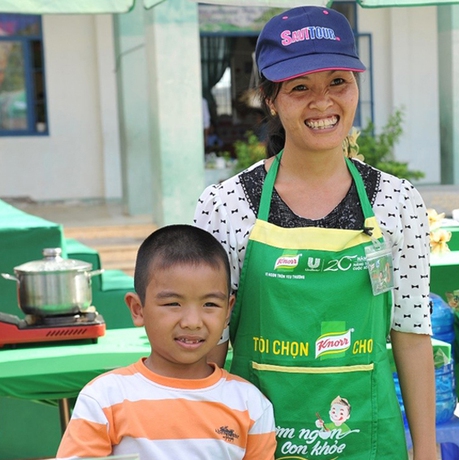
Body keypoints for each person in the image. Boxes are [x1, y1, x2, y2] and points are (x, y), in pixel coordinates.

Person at [193, 6, 436, 460]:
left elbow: (410, 329)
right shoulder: (226, 205)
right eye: (300, 88)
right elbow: (212, 343)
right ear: (270, 100)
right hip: (258, 441)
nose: (322, 103)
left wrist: (426, 448)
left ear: (357, 88)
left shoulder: (397, 202)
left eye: (337, 83)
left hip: (369, 437)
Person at [56, 225, 277, 460]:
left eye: (210, 304)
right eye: (173, 303)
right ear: (138, 309)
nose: (192, 322)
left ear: (227, 312)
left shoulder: (250, 405)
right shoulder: (104, 399)